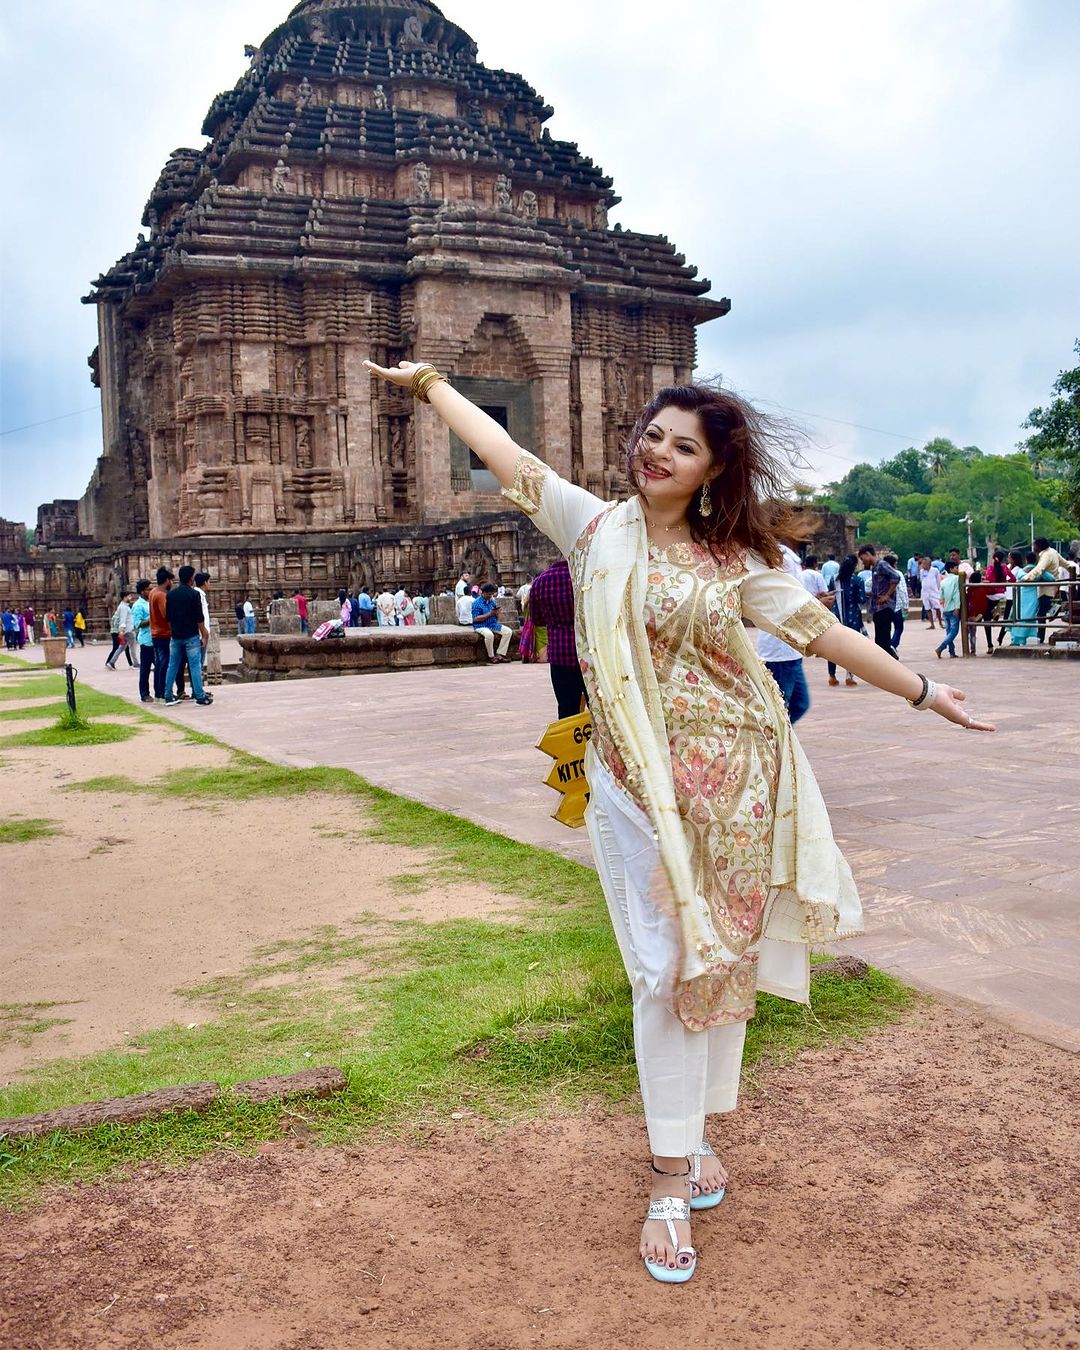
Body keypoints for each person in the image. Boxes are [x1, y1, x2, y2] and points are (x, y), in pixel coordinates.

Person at [365, 357, 993, 1286]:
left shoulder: (735, 563)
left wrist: (926, 689)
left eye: (682, 445)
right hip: (633, 784)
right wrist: (431, 387)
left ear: (712, 470)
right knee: (663, 969)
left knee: (717, 965)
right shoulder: (594, 527)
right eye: (652, 435)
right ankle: (668, 1179)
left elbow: (825, 635)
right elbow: (505, 452)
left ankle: (694, 1142)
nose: (657, 452)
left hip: (736, 783)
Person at [755, 533, 813, 724]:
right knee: (781, 707)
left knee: (799, 703)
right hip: (779, 649)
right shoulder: (781, 558)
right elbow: (782, 601)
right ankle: (776, 746)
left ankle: (780, 743)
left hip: (790, 649)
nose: (809, 530)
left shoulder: (791, 558)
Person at [528, 558, 586, 718]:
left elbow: (537, 620)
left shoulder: (540, 582)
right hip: (589, 653)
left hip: (560, 655)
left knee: (567, 707)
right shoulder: (584, 576)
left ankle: (569, 742)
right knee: (597, 708)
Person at [164, 566, 213, 706]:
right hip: (191, 635)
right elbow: (199, 617)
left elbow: (168, 618)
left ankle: (168, 695)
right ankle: (199, 695)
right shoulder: (194, 595)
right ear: (191, 578)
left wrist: (172, 631)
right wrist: (204, 634)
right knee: (195, 666)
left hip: (176, 635)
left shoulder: (171, 595)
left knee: (172, 666)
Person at [827, 555, 865, 687]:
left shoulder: (834, 579)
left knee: (833, 648)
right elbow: (861, 599)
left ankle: (832, 675)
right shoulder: (857, 580)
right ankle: (849, 676)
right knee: (851, 648)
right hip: (853, 618)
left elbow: (829, 594)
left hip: (836, 618)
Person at [1029, 537, 1067, 639]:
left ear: (1039, 546)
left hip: (1046, 587)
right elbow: (1064, 563)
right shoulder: (1053, 552)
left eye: (1035, 545)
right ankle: (1052, 609)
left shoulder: (1046, 555)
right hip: (1050, 586)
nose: (1033, 547)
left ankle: (1040, 637)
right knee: (1042, 611)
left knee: (1041, 613)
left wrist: (1026, 578)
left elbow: (1039, 569)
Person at [149, 568, 177, 700]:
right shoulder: (161, 595)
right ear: (166, 580)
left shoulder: (153, 592)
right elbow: (166, 615)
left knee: (160, 663)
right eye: (171, 580)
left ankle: (159, 691)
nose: (172, 583)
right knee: (165, 663)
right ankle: (164, 692)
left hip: (155, 632)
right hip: (163, 633)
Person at [868, 551, 900, 659]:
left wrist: (887, 595)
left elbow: (896, 577)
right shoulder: (875, 568)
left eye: (863, 559)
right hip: (877, 608)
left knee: (883, 639)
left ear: (868, 554)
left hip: (885, 607)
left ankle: (890, 659)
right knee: (880, 640)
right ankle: (886, 660)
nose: (863, 562)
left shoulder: (882, 565)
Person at [472, 583, 514, 661]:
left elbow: (495, 611)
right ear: (483, 593)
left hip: (492, 624)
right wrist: (489, 614)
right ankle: (491, 656)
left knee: (508, 632)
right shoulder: (476, 603)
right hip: (480, 625)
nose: (490, 596)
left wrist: (497, 613)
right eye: (489, 594)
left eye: (491, 594)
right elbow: (475, 619)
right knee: (489, 635)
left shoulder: (491, 601)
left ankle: (500, 654)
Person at [130, 580, 155, 702]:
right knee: (145, 669)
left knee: (161, 668)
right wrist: (153, 618)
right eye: (148, 589)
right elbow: (138, 624)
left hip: (157, 638)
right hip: (146, 641)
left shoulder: (151, 602)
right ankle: (144, 694)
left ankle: (162, 692)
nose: (151, 591)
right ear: (142, 591)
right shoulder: (138, 606)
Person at [1009, 552, 1040, 646]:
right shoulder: (1038, 571)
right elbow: (1051, 578)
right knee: (1030, 618)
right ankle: (1030, 638)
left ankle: (1016, 639)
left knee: (1019, 616)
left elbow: (1020, 578)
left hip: (1021, 597)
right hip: (1032, 598)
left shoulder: (1021, 571)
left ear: (1026, 560)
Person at [936, 559, 962, 658]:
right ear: (951, 569)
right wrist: (957, 607)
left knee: (948, 631)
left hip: (946, 608)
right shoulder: (956, 578)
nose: (958, 569)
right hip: (953, 608)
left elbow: (941, 597)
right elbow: (956, 594)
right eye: (956, 568)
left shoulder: (944, 581)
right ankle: (941, 647)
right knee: (954, 631)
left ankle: (952, 652)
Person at [965, 566, 991, 654]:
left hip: (971, 612)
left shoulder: (969, 589)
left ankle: (972, 650)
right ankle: (993, 612)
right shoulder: (983, 588)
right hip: (982, 610)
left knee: (971, 632)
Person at [105, 593, 134, 668]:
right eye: (129, 596)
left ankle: (110, 662)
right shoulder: (123, 608)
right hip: (118, 631)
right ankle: (109, 662)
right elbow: (122, 621)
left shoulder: (122, 607)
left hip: (117, 631)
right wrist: (121, 631)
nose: (131, 598)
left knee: (123, 647)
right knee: (119, 647)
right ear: (124, 597)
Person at [885, 555, 907, 652]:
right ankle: (893, 645)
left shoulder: (880, 574)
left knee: (886, 629)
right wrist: (905, 605)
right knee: (899, 627)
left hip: (883, 607)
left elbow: (868, 584)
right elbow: (902, 590)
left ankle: (887, 646)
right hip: (896, 606)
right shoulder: (897, 573)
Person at [920, 556, 943, 629]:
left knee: (937, 607)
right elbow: (922, 580)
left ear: (929, 564)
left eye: (925, 564)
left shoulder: (935, 570)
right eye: (922, 564)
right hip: (925, 592)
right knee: (927, 608)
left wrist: (937, 590)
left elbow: (938, 581)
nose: (923, 565)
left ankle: (940, 622)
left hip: (934, 592)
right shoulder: (922, 571)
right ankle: (932, 624)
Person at [194, 572, 212, 660]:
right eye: (209, 581)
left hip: (201, 634)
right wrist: (204, 634)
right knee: (199, 661)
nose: (209, 584)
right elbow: (198, 616)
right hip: (201, 635)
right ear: (205, 582)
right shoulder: (198, 595)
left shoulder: (201, 595)